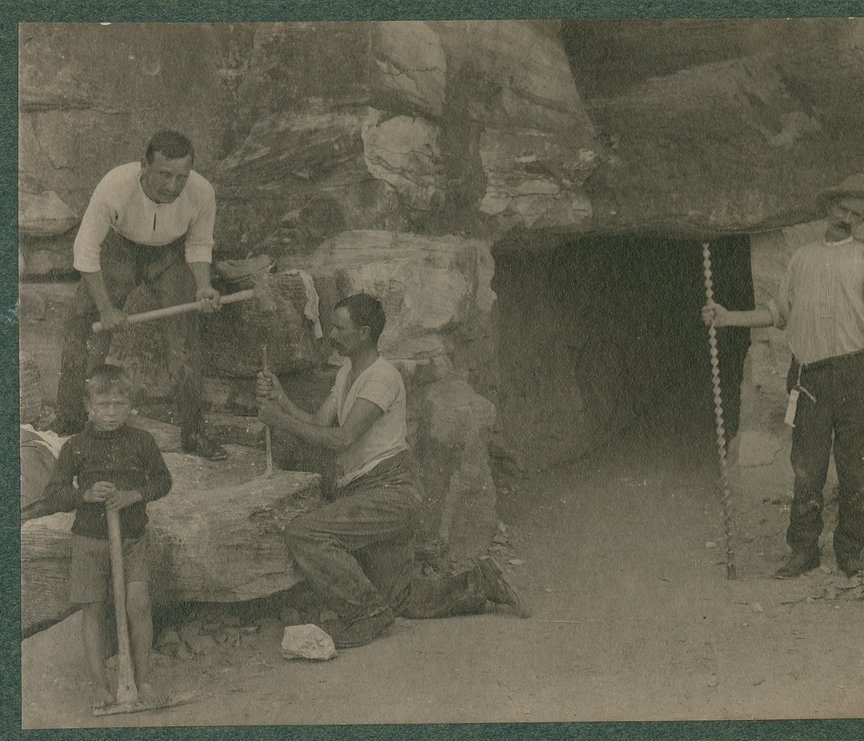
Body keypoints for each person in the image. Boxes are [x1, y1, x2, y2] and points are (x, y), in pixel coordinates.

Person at [256, 293, 528, 648]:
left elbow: (341, 439)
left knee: (305, 533)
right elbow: (316, 423)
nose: (332, 334)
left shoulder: (382, 378)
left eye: (340, 327)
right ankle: (481, 582)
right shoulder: (345, 374)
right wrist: (280, 400)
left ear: (364, 332)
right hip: (370, 490)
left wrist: (279, 421)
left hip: (391, 490)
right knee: (404, 597)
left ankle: (364, 612)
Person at [701, 174, 864, 578]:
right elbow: (778, 314)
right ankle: (803, 550)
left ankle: (850, 552)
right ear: (828, 208)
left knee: (856, 469)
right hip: (809, 377)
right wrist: (728, 318)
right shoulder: (802, 257)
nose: (847, 218)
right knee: (807, 469)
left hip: (857, 375)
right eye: (843, 209)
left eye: (857, 214)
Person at [53, 130, 227, 461]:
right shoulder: (115, 185)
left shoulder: (202, 191)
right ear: (144, 164)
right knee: (84, 322)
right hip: (118, 248)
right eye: (164, 174)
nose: (173, 186)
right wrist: (105, 308)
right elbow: (86, 249)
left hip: (169, 254)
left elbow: (200, 244)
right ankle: (70, 421)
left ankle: (193, 431)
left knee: (185, 336)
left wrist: (203, 286)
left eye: (181, 176)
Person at [43, 364, 173, 708]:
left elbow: (163, 482)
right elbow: (55, 492)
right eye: (104, 405)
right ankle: (102, 687)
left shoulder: (141, 441)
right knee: (94, 610)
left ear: (130, 405)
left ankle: (141, 680)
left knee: (139, 603)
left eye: (119, 404)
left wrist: (136, 494)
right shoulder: (76, 447)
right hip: (89, 540)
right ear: (89, 406)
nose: (112, 412)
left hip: (132, 539)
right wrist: (84, 495)